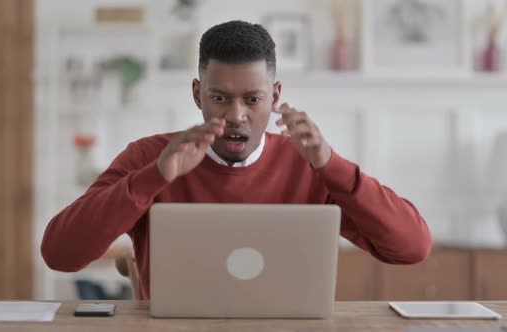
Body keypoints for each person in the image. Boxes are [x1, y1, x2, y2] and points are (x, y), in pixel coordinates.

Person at [41, 20, 432, 300]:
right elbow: (60, 254)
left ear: (275, 96)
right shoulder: (149, 157)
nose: (236, 116)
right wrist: (153, 178)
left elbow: (412, 247)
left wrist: (332, 166)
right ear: (198, 95)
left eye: (253, 99)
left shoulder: (310, 166)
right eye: (220, 98)